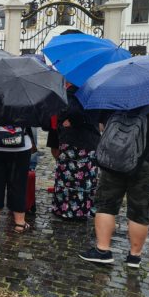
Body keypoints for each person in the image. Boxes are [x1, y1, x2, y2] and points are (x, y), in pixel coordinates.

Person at [80, 104, 149, 268]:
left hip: (113, 163)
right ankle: (134, 257)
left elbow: (102, 127)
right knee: (140, 211)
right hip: (145, 168)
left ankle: (103, 250)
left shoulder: (112, 108)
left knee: (105, 206)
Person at [49, 84, 101, 219]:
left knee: (69, 177)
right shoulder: (95, 92)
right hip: (83, 142)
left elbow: (64, 115)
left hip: (75, 141)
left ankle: (66, 209)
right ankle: (81, 209)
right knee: (83, 177)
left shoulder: (70, 93)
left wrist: (72, 120)